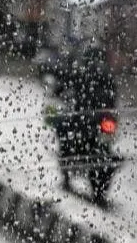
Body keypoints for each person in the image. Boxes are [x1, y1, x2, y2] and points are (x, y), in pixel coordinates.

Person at [49, 44, 117, 189]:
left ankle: (67, 173)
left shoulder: (81, 72)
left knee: (62, 130)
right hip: (103, 120)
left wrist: (58, 91)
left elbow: (64, 86)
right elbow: (114, 99)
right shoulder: (108, 75)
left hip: (82, 120)